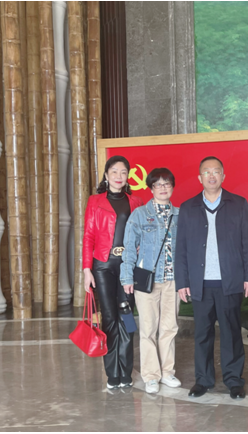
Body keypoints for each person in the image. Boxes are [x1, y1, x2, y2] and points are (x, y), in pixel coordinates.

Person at [174, 156, 248, 400]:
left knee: (231, 332)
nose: (211, 176)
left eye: (216, 171)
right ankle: (203, 380)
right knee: (202, 334)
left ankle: (234, 381)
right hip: (200, 283)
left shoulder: (238, 204)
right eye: (207, 172)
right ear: (200, 177)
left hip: (230, 281)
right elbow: (181, 248)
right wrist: (183, 282)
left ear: (223, 176)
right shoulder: (188, 207)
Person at [83, 155, 144, 390]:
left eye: (123, 172)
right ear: (107, 175)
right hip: (103, 266)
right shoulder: (95, 201)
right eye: (114, 171)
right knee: (109, 318)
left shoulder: (136, 201)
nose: (119, 176)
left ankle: (126, 371)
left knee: (127, 316)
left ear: (128, 176)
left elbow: (142, 233)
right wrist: (87, 269)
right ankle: (112, 373)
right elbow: (88, 236)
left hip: (128, 267)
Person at [120, 168, 181, 394]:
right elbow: (129, 248)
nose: (163, 188)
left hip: (173, 280)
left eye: (167, 183)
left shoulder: (180, 215)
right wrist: (127, 277)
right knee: (148, 328)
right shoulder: (139, 215)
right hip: (147, 280)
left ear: (172, 187)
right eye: (158, 184)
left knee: (169, 327)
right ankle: (151, 376)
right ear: (151, 188)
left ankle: (167, 372)